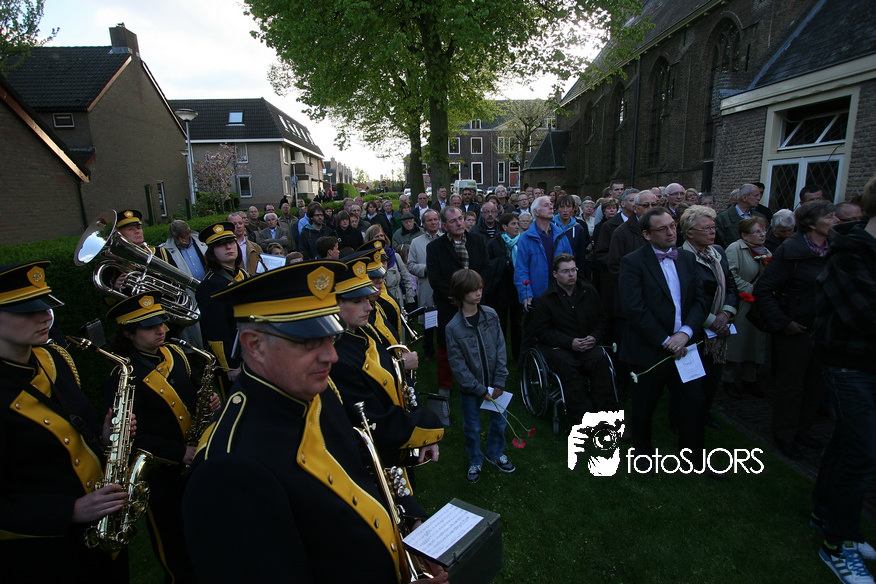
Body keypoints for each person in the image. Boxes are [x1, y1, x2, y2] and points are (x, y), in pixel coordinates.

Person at [181, 261, 448, 583]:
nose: (331, 356)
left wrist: (410, 519)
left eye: (331, 338)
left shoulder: (316, 389)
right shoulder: (227, 470)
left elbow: (365, 464)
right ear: (254, 345)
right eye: (309, 342)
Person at [0, 261, 129, 580]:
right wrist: (69, 511)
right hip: (45, 555)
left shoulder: (53, 358)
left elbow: (71, 427)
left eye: (45, 306)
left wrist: (103, 436)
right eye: (26, 310)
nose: (45, 317)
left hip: (103, 536)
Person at [104, 292, 220, 583]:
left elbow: (193, 389)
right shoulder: (123, 376)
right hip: (161, 474)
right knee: (175, 545)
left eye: (161, 322)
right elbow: (130, 438)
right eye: (150, 327)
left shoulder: (175, 354)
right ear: (128, 333)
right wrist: (180, 453)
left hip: (197, 458)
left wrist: (207, 400)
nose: (161, 330)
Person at [810, 176, 876, 583]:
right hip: (850, 362)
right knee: (863, 453)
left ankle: (825, 513)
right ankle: (839, 543)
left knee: (846, 442)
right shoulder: (849, 253)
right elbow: (865, 315)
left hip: (868, 362)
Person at [332, 254, 443, 470]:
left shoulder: (362, 332)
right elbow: (374, 420)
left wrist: (416, 411)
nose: (369, 307)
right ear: (334, 304)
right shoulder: (337, 356)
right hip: (378, 460)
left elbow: (397, 378)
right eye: (357, 301)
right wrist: (426, 426)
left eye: (367, 299)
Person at [619, 207, 709, 467]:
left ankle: (693, 456)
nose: (671, 232)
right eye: (663, 229)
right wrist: (665, 340)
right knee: (644, 405)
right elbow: (634, 309)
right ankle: (643, 454)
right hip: (650, 348)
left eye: (672, 226)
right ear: (647, 235)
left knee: (695, 401)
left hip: (685, 346)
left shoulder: (687, 258)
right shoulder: (633, 262)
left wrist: (685, 333)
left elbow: (701, 300)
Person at [754, 200, 838, 460]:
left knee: (816, 384)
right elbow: (764, 289)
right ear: (811, 223)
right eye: (829, 216)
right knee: (791, 386)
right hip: (797, 329)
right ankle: (785, 434)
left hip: (825, 329)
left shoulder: (835, 248)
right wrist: (783, 322)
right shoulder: (792, 250)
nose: (835, 220)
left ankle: (803, 429)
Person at [445, 269, 514, 483]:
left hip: (495, 384)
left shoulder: (491, 315)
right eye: (473, 289)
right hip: (470, 390)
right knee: (472, 427)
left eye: (480, 288)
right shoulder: (453, 328)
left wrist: (499, 380)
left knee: (500, 422)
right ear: (460, 292)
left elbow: (500, 347)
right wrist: (479, 389)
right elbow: (458, 365)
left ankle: (495, 452)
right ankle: (475, 459)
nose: (478, 293)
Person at [532, 254, 615, 423]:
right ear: (555, 274)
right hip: (559, 347)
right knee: (567, 366)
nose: (571, 274)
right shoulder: (546, 300)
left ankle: (608, 414)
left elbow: (602, 319)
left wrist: (594, 337)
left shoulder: (589, 292)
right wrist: (570, 343)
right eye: (565, 271)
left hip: (586, 343)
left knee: (600, 361)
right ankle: (582, 418)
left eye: (573, 270)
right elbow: (543, 332)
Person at [427, 206, 491, 421]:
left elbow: (486, 269)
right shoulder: (435, 247)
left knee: (476, 344)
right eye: (453, 221)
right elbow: (436, 279)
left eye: (461, 218)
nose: (459, 223)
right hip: (448, 305)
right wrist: (459, 297)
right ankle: (445, 386)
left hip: (476, 304)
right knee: (446, 346)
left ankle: (478, 382)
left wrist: (475, 293)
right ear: (444, 226)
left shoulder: (478, 241)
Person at [679, 206, 738, 430]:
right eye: (706, 228)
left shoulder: (718, 253)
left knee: (713, 376)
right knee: (691, 381)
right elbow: (686, 298)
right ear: (689, 233)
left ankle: (704, 415)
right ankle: (682, 419)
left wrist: (726, 313)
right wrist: (713, 321)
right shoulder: (681, 258)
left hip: (719, 328)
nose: (712, 232)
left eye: (713, 227)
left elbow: (730, 285)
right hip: (695, 329)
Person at [195, 221, 249, 400]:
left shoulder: (242, 275)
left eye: (231, 242)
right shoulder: (210, 285)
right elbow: (216, 330)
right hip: (235, 361)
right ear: (212, 252)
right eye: (220, 244)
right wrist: (230, 365)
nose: (228, 247)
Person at [723, 217, 771, 398]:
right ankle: (728, 379)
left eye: (764, 230)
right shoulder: (735, 248)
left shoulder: (765, 250)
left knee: (755, 342)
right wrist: (750, 289)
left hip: (759, 305)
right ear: (744, 235)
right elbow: (731, 274)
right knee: (737, 343)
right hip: (742, 304)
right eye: (757, 231)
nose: (762, 234)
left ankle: (750, 378)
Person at [161, 219, 207, 349]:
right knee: (195, 330)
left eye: (184, 236)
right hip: (188, 295)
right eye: (177, 237)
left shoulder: (203, 243)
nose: (181, 240)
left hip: (206, 291)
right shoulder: (164, 249)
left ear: (189, 232)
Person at [407, 209, 442, 362]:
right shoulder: (416, 242)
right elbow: (410, 265)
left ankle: (445, 349)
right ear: (423, 223)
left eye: (435, 219)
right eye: (429, 220)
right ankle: (428, 351)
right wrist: (425, 269)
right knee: (428, 320)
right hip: (426, 286)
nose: (433, 223)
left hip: (444, 287)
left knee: (444, 320)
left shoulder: (446, 239)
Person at [487, 213, 523, 361]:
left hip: (516, 288)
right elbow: (488, 265)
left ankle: (518, 354)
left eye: (517, 224)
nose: (517, 227)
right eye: (513, 224)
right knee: (500, 324)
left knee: (517, 324)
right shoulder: (494, 243)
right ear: (504, 227)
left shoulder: (522, 241)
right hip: (500, 289)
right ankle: (500, 356)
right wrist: (503, 262)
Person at [715, 184, 767, 249]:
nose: (759, 198)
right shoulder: (723, 218)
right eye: (756, 195)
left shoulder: (760, 217)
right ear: (744, 197)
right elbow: (720, 242)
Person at [227, 211, 263, 276]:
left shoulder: (256, 247)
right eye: (234, 224)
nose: (238, 226)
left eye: (240, 223)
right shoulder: (226, 248)